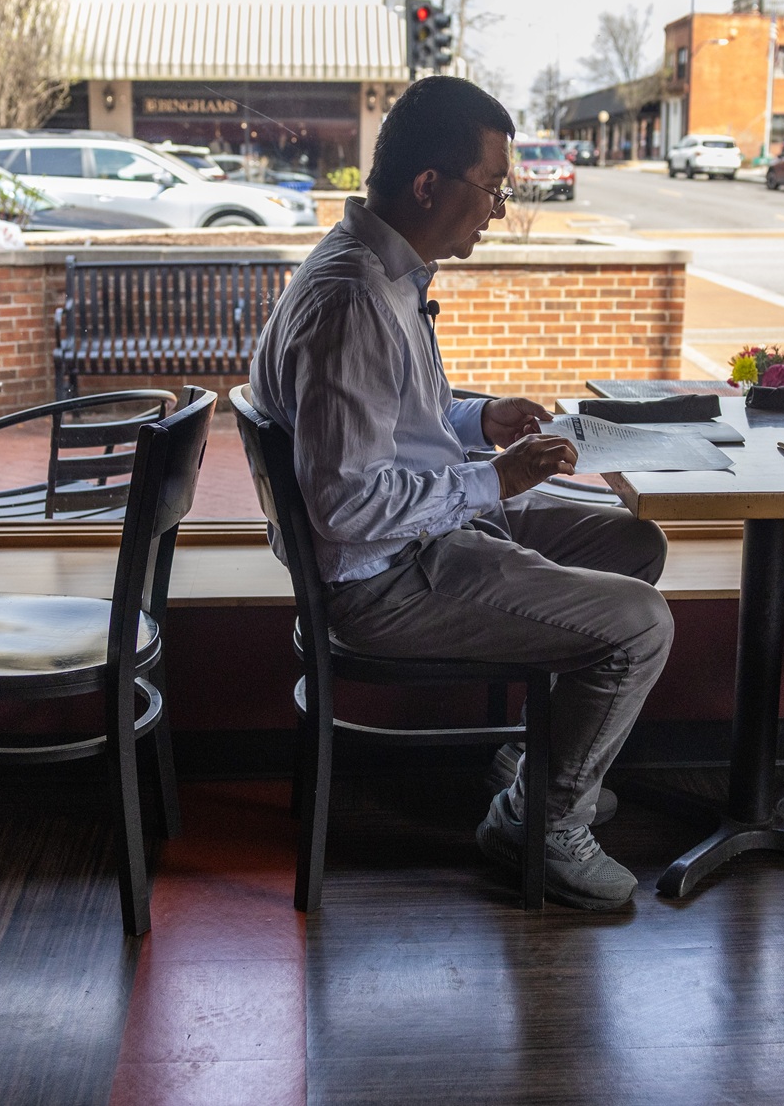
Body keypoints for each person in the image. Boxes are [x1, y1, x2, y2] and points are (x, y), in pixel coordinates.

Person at [251, 75, 674, 911]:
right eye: (492, 188)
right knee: (642, 624)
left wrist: (481, 418)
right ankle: (539, 824)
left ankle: (543, 764)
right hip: (382, 578)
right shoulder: (354, 302)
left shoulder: (382, 269)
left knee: (635, 542)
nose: (498, 208)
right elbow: (345, 504)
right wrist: (492, 480)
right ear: (427, 186)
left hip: (419, 537)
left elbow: (393, 415)